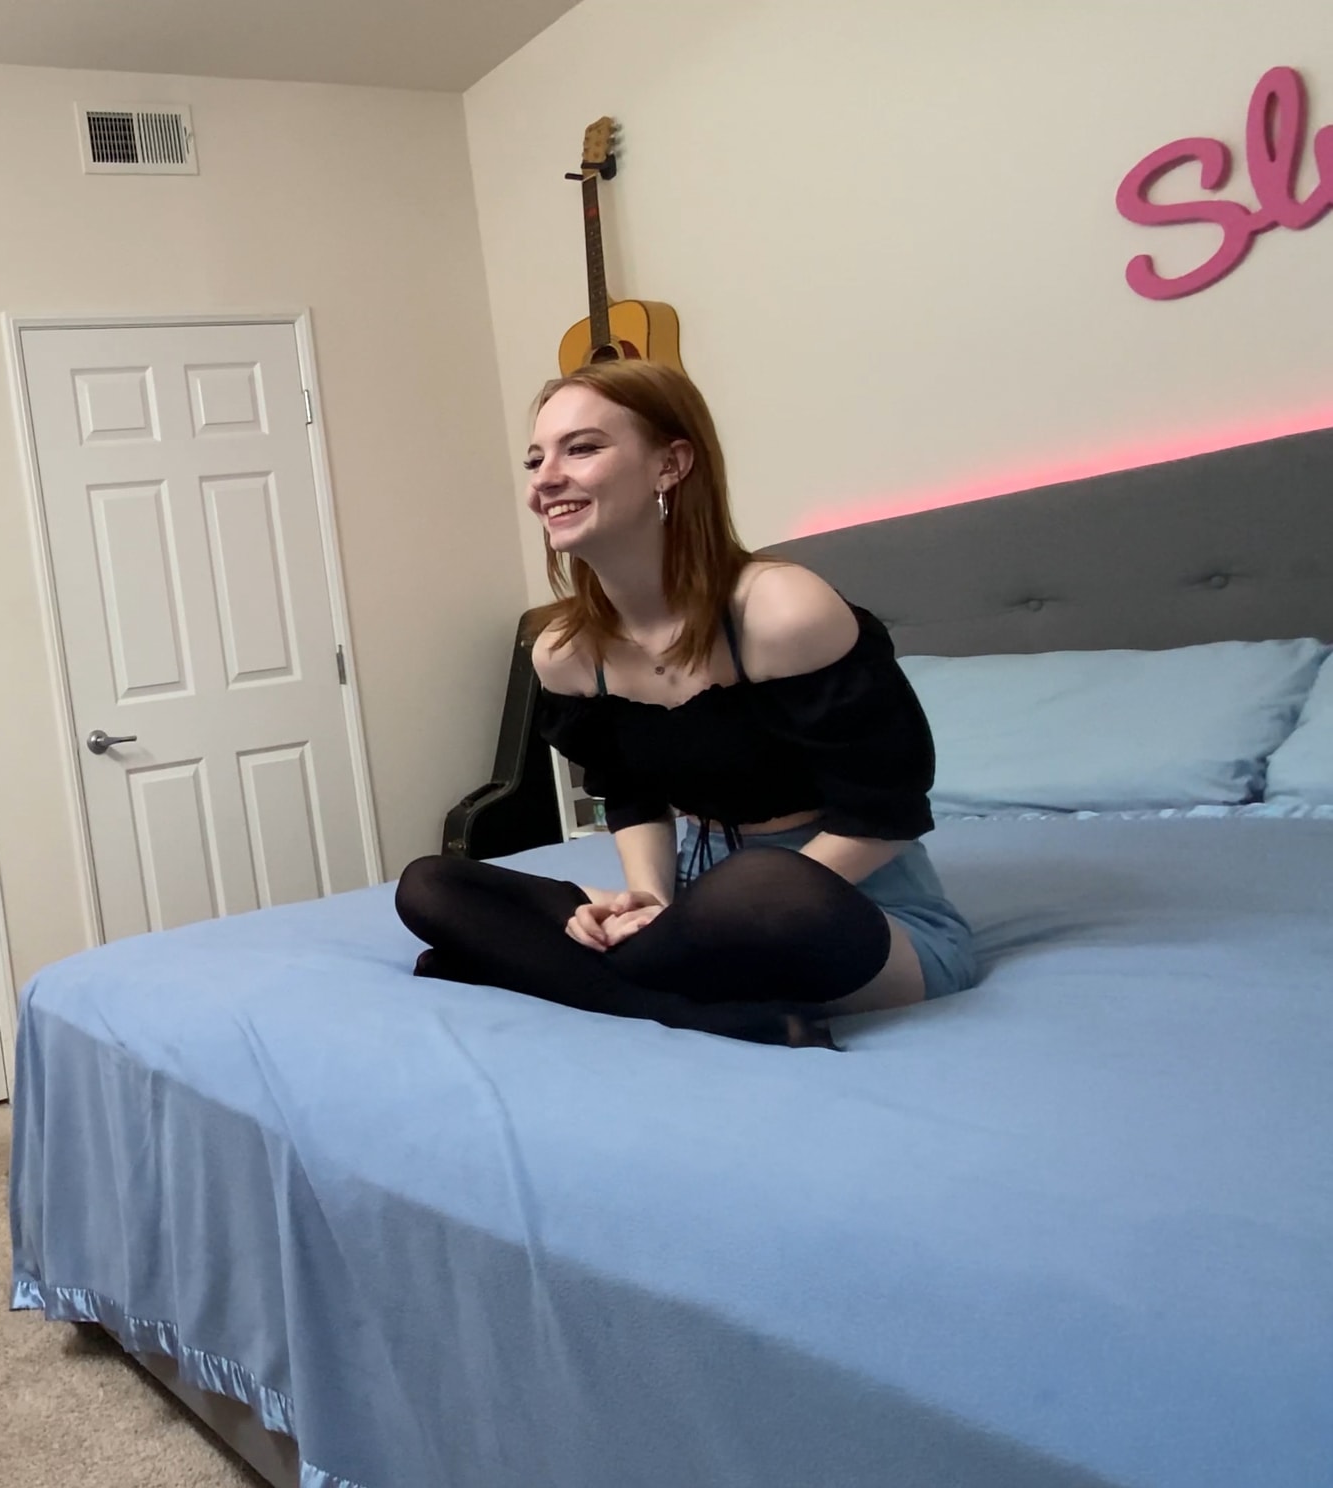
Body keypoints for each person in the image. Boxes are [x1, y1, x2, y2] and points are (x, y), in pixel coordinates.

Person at [394, 359, 978, 1049]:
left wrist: (686, 920)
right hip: (694, 901)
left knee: (766, 885)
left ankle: (546, 971)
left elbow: (888, 814)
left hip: (838, 902)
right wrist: (652, 899)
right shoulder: (566, 653)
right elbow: (632, 795)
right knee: (430, 886)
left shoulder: (781, 611)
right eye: (535, 459)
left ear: (670, 465)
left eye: (581, 448)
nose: (544, 478)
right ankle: (680, 1006)